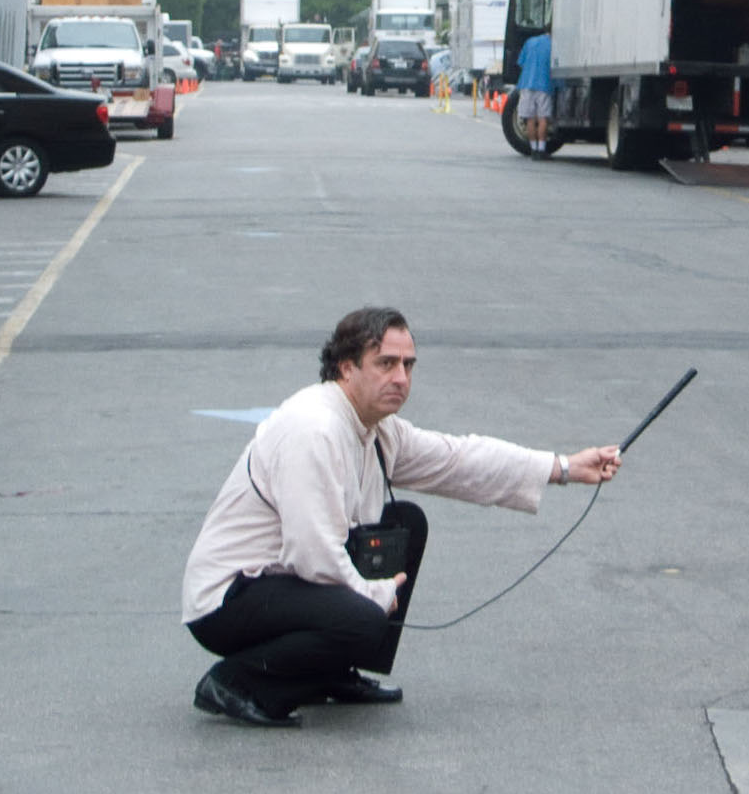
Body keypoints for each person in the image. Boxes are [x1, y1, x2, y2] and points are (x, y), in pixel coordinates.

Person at [182, 305, 621, 727]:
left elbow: (460, 460)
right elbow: (312, 554)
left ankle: (331, 671)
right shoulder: (312, 429)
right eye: (386, 363)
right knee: (363, 618)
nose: (400, 377)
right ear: (346, 368)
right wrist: (373, 597)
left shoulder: (375, 427)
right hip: (229, 599)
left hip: (282, 584)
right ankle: (239, 682)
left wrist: (564, 467)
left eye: (408, 365)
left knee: (406, 523)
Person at [514, 30, 555, 154]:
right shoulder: (553, 45)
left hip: (526, 84)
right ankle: (542, 149)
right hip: (544, 84)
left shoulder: (530, 42)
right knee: (543, 119)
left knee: (530, 119)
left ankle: (533, 149)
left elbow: (521, 63)